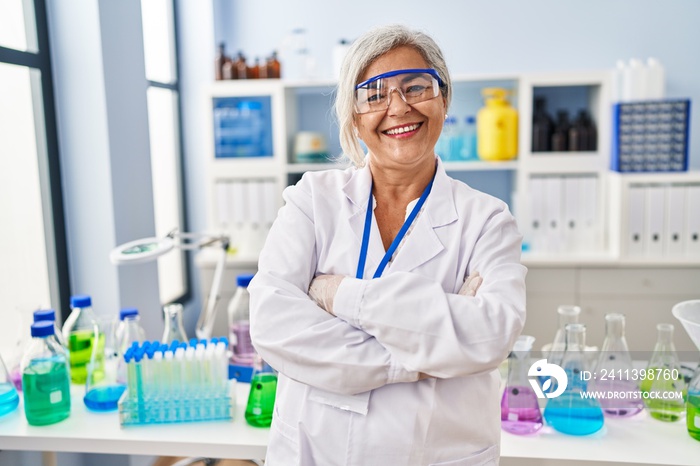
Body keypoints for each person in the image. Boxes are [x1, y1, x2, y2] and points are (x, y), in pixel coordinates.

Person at [248, 24, 526, 466]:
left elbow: (491, 333)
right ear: (354, 117)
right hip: (314, 451)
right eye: (374, 94)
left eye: (416, 87)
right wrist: (421, 355)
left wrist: (337, 295)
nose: (398, 107)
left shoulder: (487, 220)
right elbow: (272, 323)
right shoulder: (312, 201)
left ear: (444, 100)